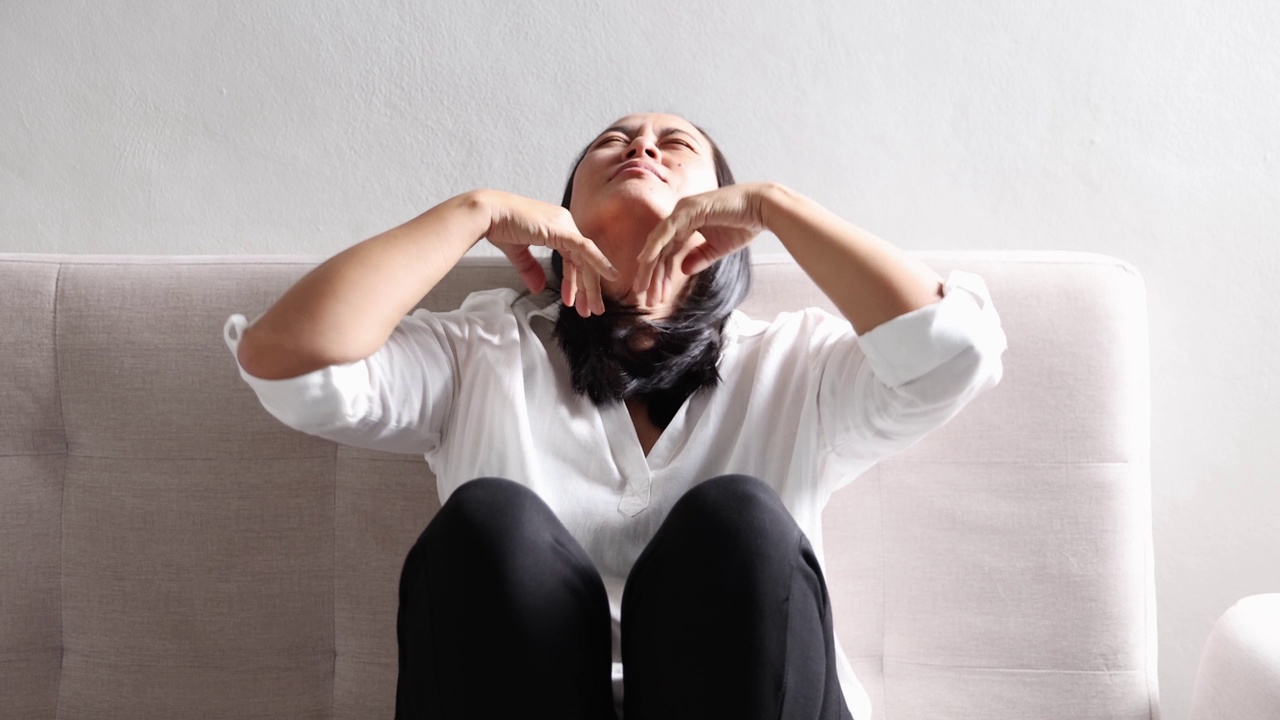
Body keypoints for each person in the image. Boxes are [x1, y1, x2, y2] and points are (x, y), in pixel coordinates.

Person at [222, 112, 1008, 720]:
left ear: (719, 209)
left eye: (675, 144)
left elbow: (953, 355)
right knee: (488, 523)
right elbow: (285, 356)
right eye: (613, 142)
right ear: (559, 220)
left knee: (739, 522)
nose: (641, 147)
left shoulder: (796, 362)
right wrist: (474, 209)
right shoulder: (485, 348)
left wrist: (779, 207)